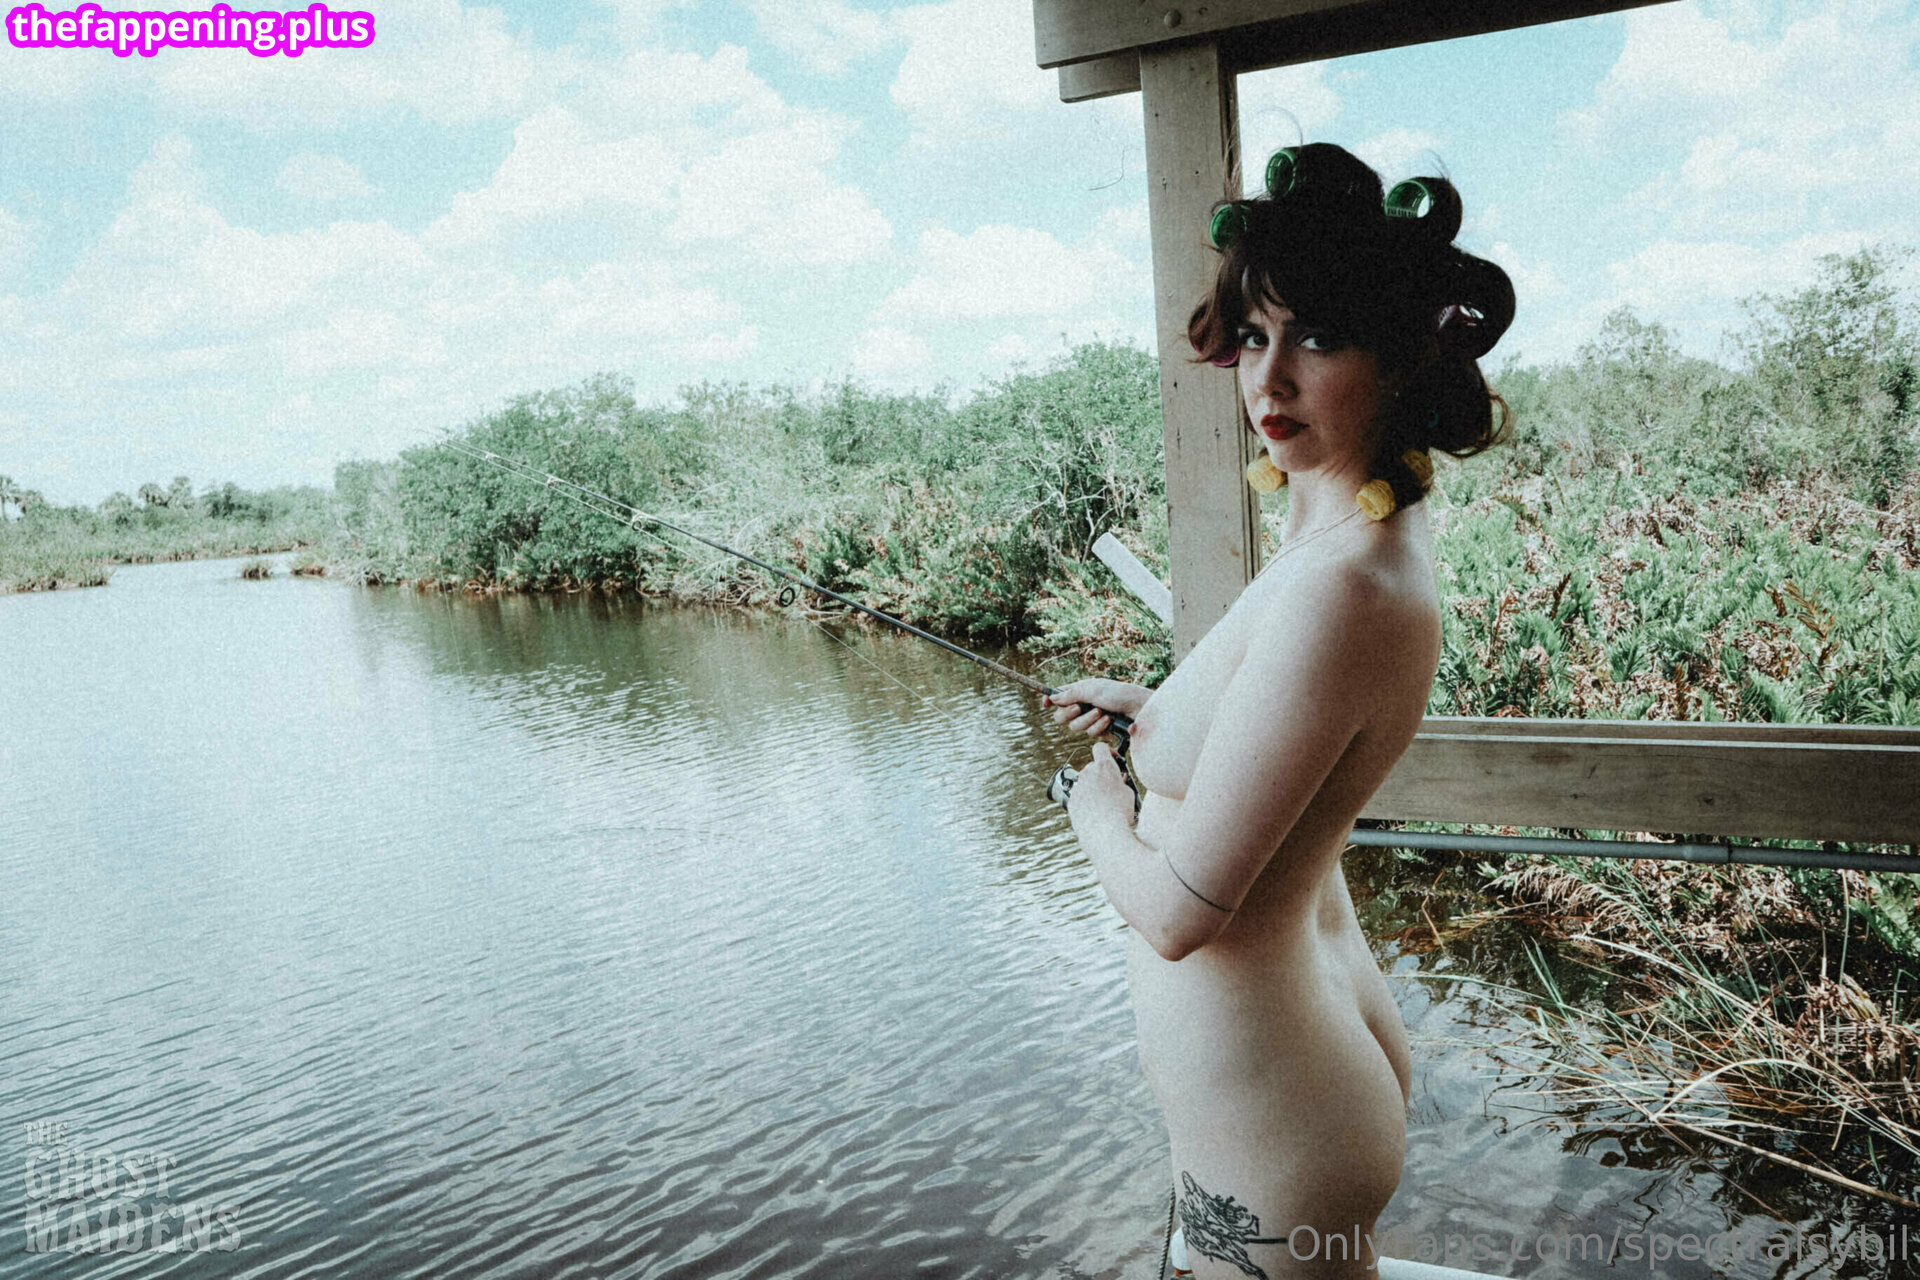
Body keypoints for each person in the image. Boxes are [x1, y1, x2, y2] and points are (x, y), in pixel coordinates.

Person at [1045, 142, 1514, 1278]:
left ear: (1400, 353)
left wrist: (1093, 809)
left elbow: (1177, 916)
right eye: (1253, 336)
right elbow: (1288, 745)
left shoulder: (1345, 584)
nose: (1269, 380)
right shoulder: (1343, 534)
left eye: (1318, 337)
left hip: (1271, 1116)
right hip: (1287, 1076)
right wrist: (1159, 715)